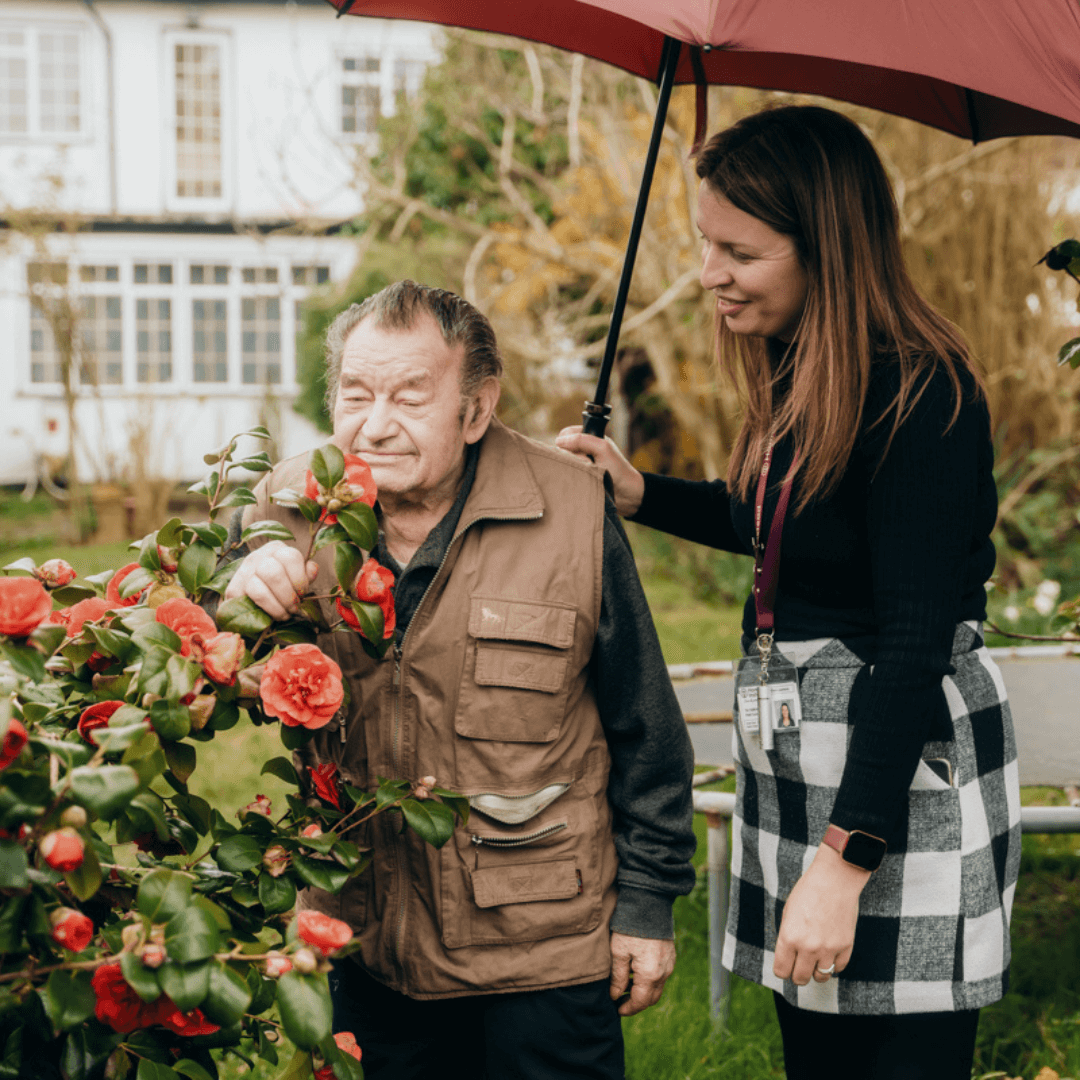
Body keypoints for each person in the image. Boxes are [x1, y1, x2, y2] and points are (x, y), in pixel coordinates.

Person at [557, 105, 1020, 1080]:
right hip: (801, 763)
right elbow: (780, 524)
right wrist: (638, 492)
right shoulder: (806, 368)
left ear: (827, 247)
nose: (708, 273)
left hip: (896, 771)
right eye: (704, 244)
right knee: (818, 1054)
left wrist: (845, 862)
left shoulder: (920, 395)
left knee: (897, 1058)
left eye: (740, 252)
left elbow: (913, 645)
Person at [225, 281, 696, 1080]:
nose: (375, 425)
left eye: (410, 397)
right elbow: (196, 653)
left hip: (541, 951)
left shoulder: (573, 509)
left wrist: (649, 903)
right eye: (355, 395)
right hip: (363, 940)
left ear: (477, 409)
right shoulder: (286, 506)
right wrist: (235, 592)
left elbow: (646, 727)